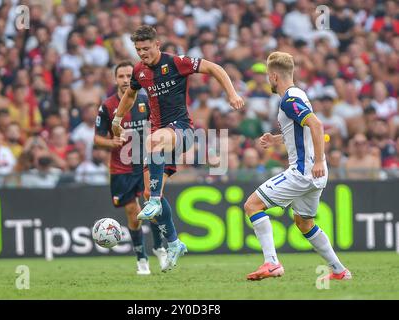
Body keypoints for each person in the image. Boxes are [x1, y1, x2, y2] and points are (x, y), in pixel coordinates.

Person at [111, 25, 244, 272]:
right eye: (138, 49)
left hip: (182, 129)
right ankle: (173, 243)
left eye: (146, 48)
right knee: (150, 195)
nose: (142, 54)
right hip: (161, 140)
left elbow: (214, 68)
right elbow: (129, 95)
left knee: (152, 142)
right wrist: (117, 119)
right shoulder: (139, 71)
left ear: (157, 45)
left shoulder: (176, 63)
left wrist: (232, 93)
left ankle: (156, 205)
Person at [244, 51, 351, 281]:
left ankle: (271, 263)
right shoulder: (299, 94)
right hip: (315, 174)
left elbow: (316, 125)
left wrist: (321, 160)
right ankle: (339, 271)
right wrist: (275, 139)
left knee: (252, 205)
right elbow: (300, 131)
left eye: (267, 76)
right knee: (304, 223)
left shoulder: (289, 100)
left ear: (273, 77)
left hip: (304, 171)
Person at [96, 60, 167, 275]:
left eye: (129, 76)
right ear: (115, 79)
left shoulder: (145, 101)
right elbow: (98, 139)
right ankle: (141, 259)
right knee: (132, 211)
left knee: (151, 206)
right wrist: (112, 142)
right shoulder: (107, 106)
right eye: (121, 76)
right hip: (121, 168)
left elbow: (157, 126)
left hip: (144, 164)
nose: (126, 80)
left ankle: (159, 248)